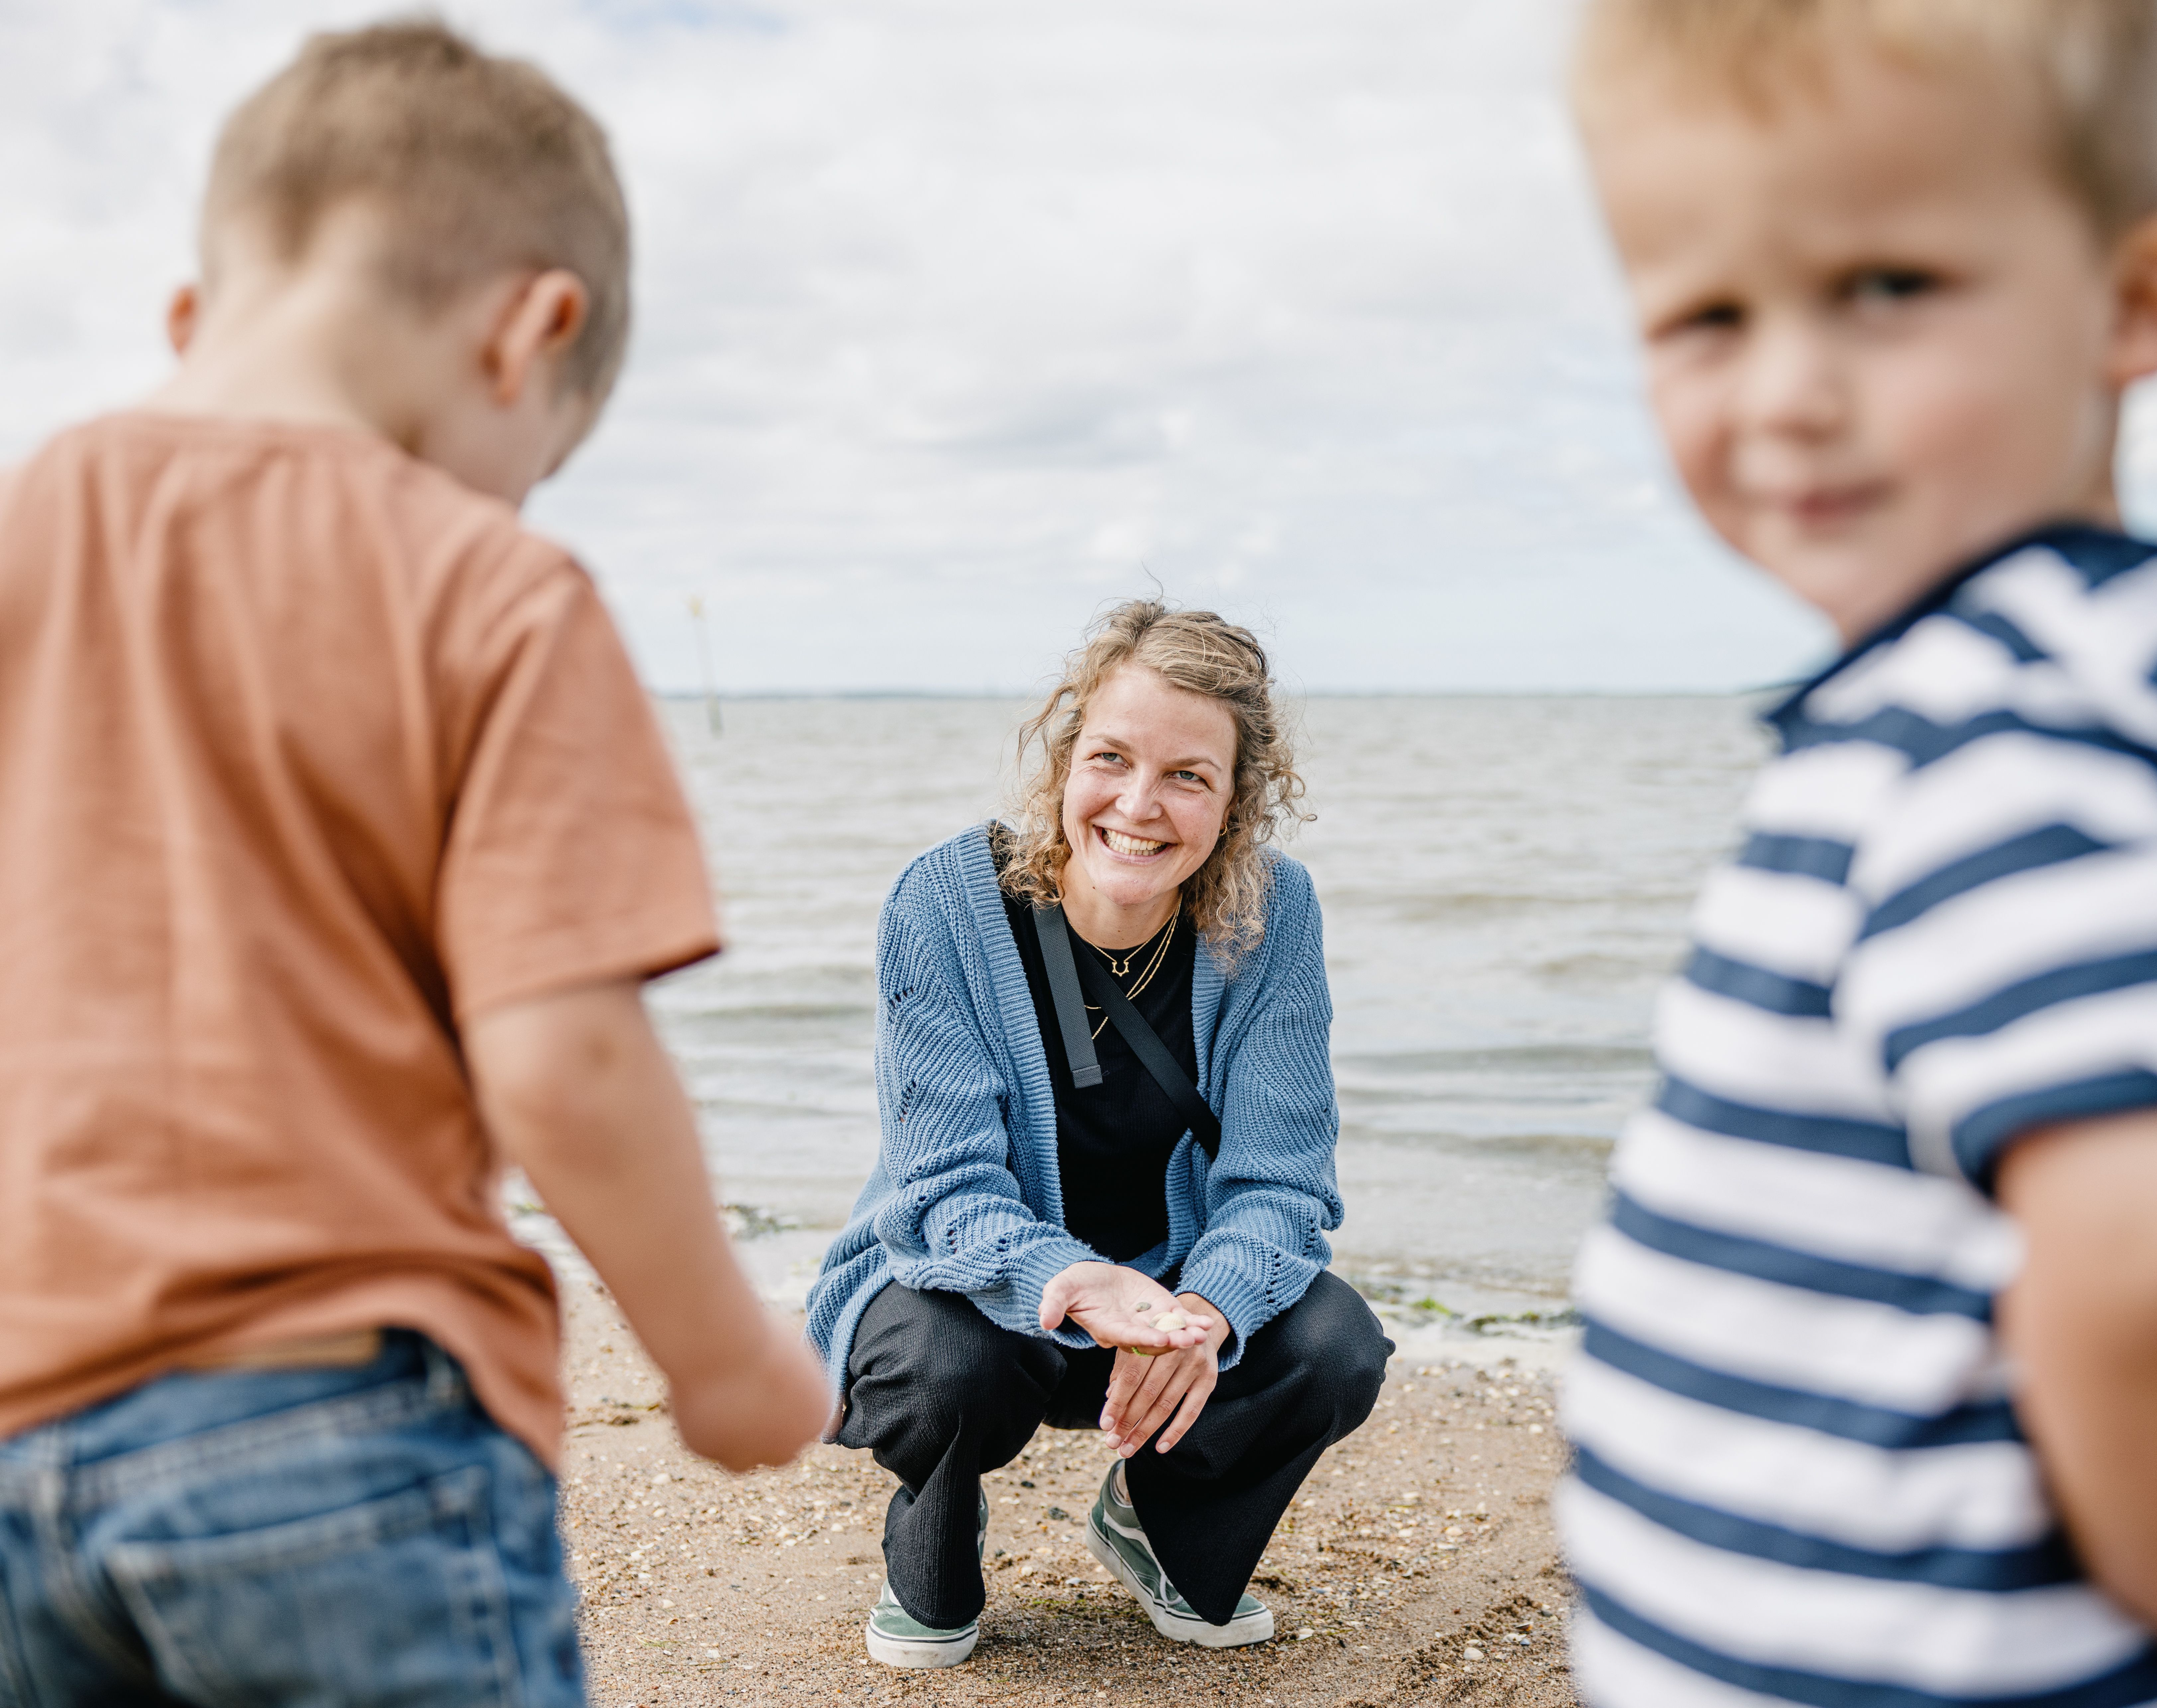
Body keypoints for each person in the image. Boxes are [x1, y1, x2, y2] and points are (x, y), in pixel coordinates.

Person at [1555, 3, 2157, 1705]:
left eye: (1886, 287)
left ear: (2134, 299)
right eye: (1707, 313)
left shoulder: (2002, 745)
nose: (1788, 393)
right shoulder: (1988, 694)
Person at [0, 23, 829, 1705]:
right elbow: (564, 1055)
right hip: (339, 1424)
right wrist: (726, 1361)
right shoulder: (488, 592)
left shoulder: (31, 524)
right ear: (533, 332)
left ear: (194, 315)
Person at [805, 601, 1389, 1669]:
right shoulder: (943, 904)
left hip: (1169, 1315)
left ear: (1237, 801)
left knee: (1334, 1345)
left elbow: (1285, 1185)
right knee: (944, 1368)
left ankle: (1158, 1522)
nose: (1138, 805)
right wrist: (1078, 1281)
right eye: (1111, 758)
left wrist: (1205, 1310)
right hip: (978, 1303)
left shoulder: (1275, 915)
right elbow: (943, 1191)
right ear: (1064, 758)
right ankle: (938, 1534)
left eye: (1187, 775)